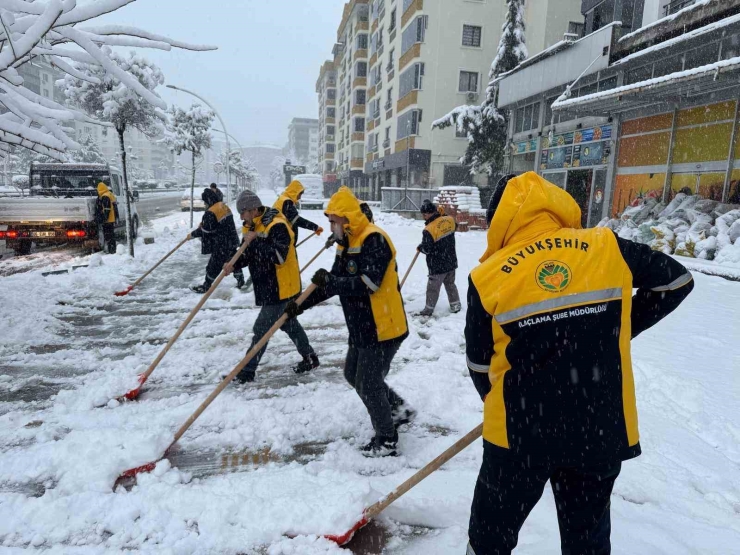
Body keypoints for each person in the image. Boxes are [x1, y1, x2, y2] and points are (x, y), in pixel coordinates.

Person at [465, 172, 694, 555]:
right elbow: (676, 281)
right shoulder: (604, 246)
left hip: (520, 436)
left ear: (500, 219)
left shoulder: (489, 276)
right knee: (586, 540)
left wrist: (502, 401)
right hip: (597, 429)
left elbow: (478, 363)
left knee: (490, 536)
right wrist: (611, 330)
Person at [284, 187, 413, 457]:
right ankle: (397, 409)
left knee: (368, 383)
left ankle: (387, 439)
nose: (330, 225)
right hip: (362, 326)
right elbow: (330, 285)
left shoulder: (374, 240)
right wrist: (299, 304)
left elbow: (369, 284)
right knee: (352, 375)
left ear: (347, 218)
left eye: (333, 220)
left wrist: (334, 281)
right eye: (329, 220)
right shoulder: (346, 243)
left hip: (384, 326)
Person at [223, 190, 319, 381]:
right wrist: (234, 263)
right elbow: (248, 253)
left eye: (243, 212)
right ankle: (310, 358)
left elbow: (278, 256)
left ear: (253, 209)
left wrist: (255, 241)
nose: (241, 217)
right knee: (289, 324)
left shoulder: (278, 225)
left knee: (262, 329)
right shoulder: (252, 225)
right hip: (269, 285)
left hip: (283, 287)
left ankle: (247, 371)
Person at [189, 188, 245, 293]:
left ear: (208, 201)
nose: (205, 204)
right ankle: (241, 281)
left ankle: (206, 286)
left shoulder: (210, 212)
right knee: (233, 261)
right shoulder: (223, 206)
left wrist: (193, 234)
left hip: (221, 244)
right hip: (231, 241)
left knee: (213, 265)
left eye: (205, 202)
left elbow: (207, 231)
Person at [417, 199, 461, 317]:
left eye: (425, 214)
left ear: (431, 213)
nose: (423, 217)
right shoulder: (450, 219)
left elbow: (427, 249)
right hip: (451, 261)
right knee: (450, 284)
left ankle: (428, 310)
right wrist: (444, 215)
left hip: (437, 265)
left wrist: (420, 248)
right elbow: (455, 227)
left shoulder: (429, 229)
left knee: (433, 288)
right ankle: (455, 305)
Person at [273, 179, 323, 244]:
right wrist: (315, 227)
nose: (300, 198)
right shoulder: (286, 202)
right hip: (282, 240)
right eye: (299, 194)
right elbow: (297, 220)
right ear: (294, 192)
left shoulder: (283, 199)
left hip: (279, 237)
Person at [96, 182, 119, 254]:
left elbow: (107, 209)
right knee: (111, 235)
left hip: (108, 220)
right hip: (111, 219)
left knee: (108, 235)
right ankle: (112, 249)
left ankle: (111, 250)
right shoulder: (110, 194)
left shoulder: (105, 196)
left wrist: (104, 219)